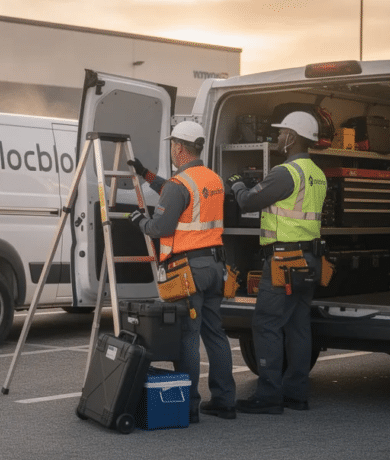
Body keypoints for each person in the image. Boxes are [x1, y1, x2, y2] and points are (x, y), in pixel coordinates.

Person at [127, 120, 235, 422]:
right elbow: (181, 197)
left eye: (172, 147)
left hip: (188, 270)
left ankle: (188, 406)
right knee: (215, 335)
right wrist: (146, 175)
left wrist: (138, 221)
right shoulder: (213, 179)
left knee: (188, 336)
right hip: (215, 267)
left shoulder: (179, 184)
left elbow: (161, 226)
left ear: (178, 147)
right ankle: (225, 400)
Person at [228, 111, 327, 414]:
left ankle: (268, 396)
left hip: (284, 259)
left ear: (293, 138)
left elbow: (248, 201)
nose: (278, 138)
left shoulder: (286, 172)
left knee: (266, 324)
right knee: (298, 326)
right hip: (310, 259)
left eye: (282, 133)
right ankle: (296, 394)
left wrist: (237, 185)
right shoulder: (317, 174)